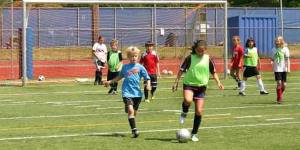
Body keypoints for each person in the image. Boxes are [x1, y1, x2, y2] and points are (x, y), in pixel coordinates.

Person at [172, 40, 224, 142]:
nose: (200, 52)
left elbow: (213, 72)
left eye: (202, 51)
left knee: (199, 111)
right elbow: (181, 71)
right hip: (189, 84)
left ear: (205, 50)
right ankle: (184, 112)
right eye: (198, 50)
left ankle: (194, 133)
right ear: (195, 49)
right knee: (188, 100)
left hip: (201, 87)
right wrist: (176, 82)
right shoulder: (190, 58)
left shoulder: (208, 59)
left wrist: (218, 82)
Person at [104, 46, 151, 138]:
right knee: (130, 110)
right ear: (128, 57)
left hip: (137, 94)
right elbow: (119, 77)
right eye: (132, 56)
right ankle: (134, 131)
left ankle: (132, 121)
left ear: (138, 57)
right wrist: (110, 81)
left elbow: (147, 77)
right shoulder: (125, 67)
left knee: (133, 113)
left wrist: (148, 84)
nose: (134, 58)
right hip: (126, 92)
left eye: (135, 56)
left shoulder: (140, 67)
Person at [271, 36, 290, 104]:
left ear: (281, 41)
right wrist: (272, 62)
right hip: (277, 69)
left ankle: (279, 96)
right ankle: (279, 99)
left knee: (284, 85)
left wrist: (288, 68)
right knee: (279, 83)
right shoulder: (273, 49)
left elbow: (287, 59)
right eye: (276, 41)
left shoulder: (285, 49)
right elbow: (272, 58)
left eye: (278, 41)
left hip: (284, 69)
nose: (276, 42)